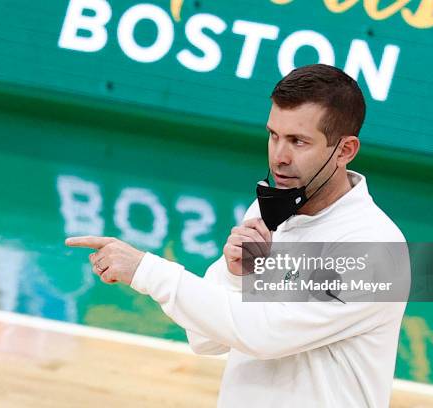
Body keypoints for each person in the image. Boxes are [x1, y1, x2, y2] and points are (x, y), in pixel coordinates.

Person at [66, 64, 408, 407]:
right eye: (274, 135)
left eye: (298, 142)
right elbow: (204, 340)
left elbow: (263, 334)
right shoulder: (267, 212)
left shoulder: (378, 250)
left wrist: (145, 270)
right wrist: (234, 275)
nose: (279, 157)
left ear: (345, 150)